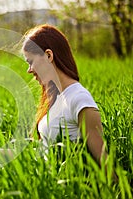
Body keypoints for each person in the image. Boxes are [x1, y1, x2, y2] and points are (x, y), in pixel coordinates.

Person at [22, 24, 106, 166]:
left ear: (49, 55)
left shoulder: (79, 99)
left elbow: (104, 164)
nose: (29, 70)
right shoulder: (56, 98)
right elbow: (42, 149)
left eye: (31, 62)